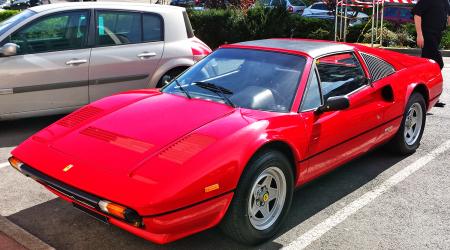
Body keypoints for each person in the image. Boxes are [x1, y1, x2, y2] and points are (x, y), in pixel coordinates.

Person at [413, 0, 450, 107]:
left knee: (426, 68)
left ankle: (426, 96)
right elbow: (417, 14)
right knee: (438, 64)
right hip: (427, 35)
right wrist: (419, 35)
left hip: (437, 36)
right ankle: (427, 95)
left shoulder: (445, 2)